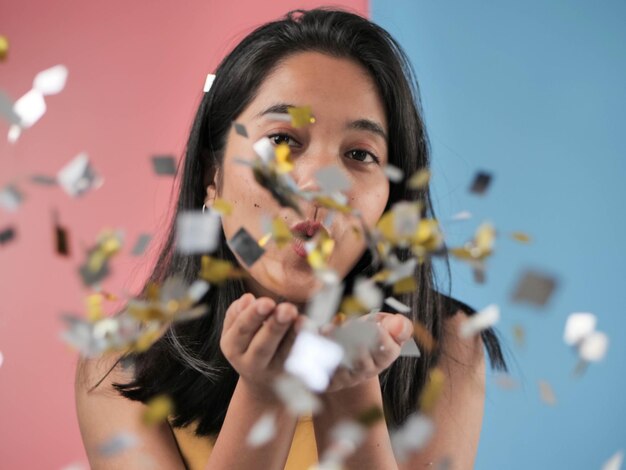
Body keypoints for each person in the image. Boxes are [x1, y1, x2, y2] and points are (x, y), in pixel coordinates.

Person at [75, 8, 506, 470]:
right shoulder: (116, 364)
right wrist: (263, 392)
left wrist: (350, 394)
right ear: (212, 176)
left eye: (360, 153)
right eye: (282, 141)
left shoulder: (450, 346)